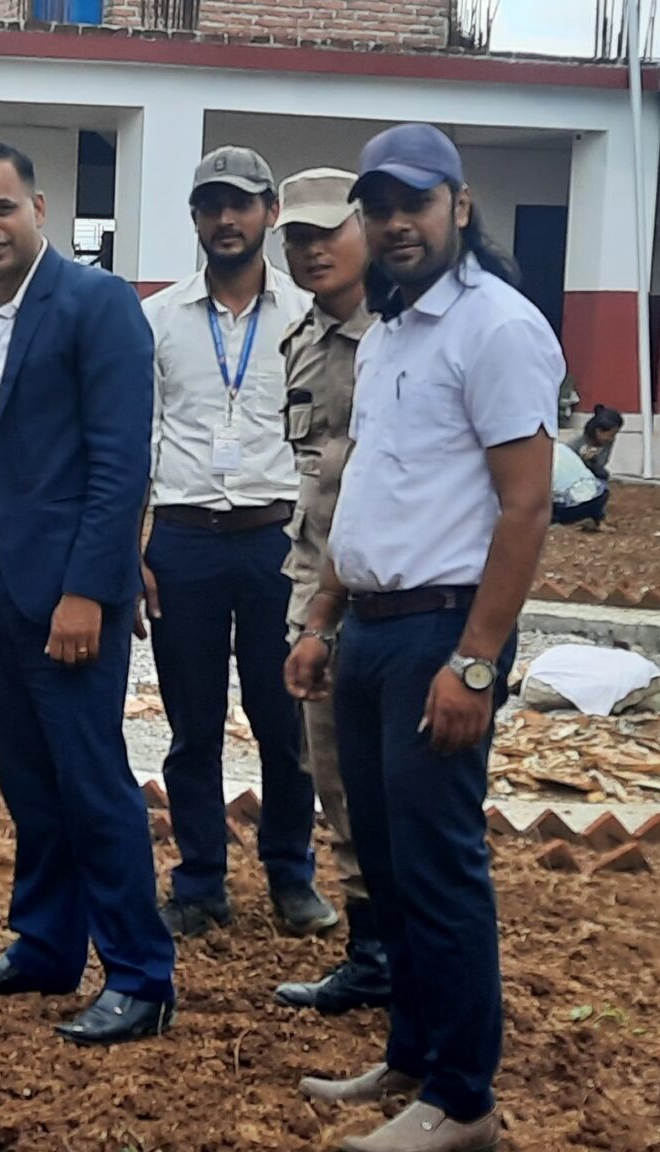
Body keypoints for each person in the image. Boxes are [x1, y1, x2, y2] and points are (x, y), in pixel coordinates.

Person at [290, 123, 560, 1152]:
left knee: (440, 868)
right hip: (370, 628)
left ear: (460, 205)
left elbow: (525, 507)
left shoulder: (498, 328)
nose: (397, 224)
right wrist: (323, 618)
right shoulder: (393, 331)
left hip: (442, 630)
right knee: (388, 862)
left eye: (416, 204)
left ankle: (461, 1100)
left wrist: (476, 661)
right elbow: (363, 487)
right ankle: (410, 1055)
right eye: (381, 208)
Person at [0, 141, 176, 1046]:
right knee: (29, 778)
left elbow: (119, 465)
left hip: (68, 597)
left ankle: (140, 976)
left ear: (38, 207)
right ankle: (45, 946)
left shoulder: (97, 304)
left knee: (91, 782)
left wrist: (89, 592)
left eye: (2, 208)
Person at [138, 146, 325, 940]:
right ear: (194, 218)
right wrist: (136, 547)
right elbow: (140, 436)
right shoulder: (157, 319)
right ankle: (200, 881)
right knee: (193, 725)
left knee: (286, 722)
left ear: (269, 215)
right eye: (211, 205)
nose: (226, 219)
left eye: (241, 204)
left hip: (275, 542)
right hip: (184, 543)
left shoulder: (307, 315)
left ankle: (291, 876)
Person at [265, 165, 394, 1019]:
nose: (314, 251)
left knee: (400, 793)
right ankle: (372, 951)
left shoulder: (402, 335)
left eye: (328, 233)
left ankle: (417, 954)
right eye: (298, 238)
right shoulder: (303, 342)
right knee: (335, 782)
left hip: (389, 597)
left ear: (365, 233)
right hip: (316, 589)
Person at [550, 437, 609, 531]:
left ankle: (562, 524)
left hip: (569, 507)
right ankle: (597, 520)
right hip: (599, 497)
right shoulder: (562, 446)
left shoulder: (536, 456)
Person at [571, 404, 621, 480]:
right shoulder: (575, 445)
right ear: (598, 431)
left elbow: (602, 463)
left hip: (593, 473)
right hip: (574, 474)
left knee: (603, 475)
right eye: (611, 435)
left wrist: (593, 461)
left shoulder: (607, 442)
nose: (612, 439)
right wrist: (584, 460)